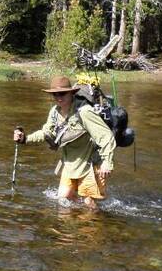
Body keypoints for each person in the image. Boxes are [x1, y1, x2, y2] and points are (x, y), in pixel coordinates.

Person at [14, 75, 116, 209]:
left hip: (89, 164)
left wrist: (107, 163)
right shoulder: (54, 112)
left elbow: (106, 136)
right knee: (63, 199)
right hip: (69, 163)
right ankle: (73, 226)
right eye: (55, 95)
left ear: (71, 93)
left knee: (88, 206)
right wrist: (25, 139)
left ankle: (97, 226)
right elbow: (47, 133)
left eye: (62, 93)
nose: (58, 97)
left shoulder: (85, 112)